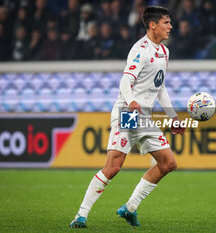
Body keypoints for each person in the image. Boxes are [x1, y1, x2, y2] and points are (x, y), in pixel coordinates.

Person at [69, 6, 185, 228]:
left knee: (168, 163)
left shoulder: (164, 52)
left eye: (170, 22)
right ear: (153, 25)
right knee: (113, 166)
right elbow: (125, 80)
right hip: (128, 113)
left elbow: (160, 87)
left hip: (144, 116)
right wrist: (131, 101)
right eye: (166, 22)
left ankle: (129, 208)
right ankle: (81, 215)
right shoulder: (141, 49)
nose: (170, 26)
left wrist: (172, 116)